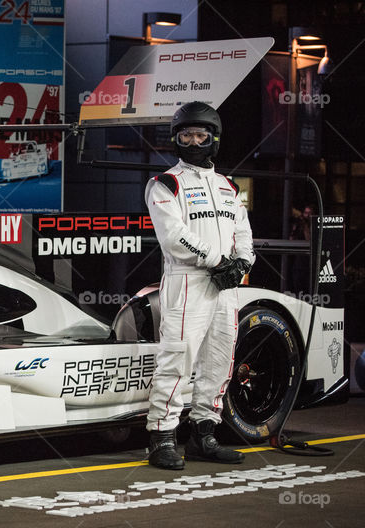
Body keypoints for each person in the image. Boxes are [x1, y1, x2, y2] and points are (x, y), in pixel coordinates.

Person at [144, 101, 254, 470]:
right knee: (177, 360)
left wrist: (241, 264)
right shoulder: (165, 183)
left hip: (226, 286)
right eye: (186, 135)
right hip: (187, 282)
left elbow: (244, 233)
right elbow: (174, 236)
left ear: (213, 139)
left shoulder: (228, 186)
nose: (193, 141)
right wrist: (217, 260)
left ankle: (204, 435)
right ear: (176, 139)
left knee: (219, 362)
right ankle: (161, 438)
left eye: (200, 135)